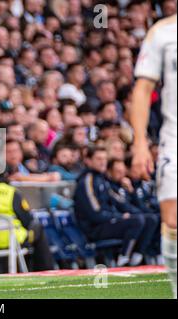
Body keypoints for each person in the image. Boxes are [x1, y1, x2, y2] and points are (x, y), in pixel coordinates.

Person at [130, 14, 177, 298]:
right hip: (173, 140)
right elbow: (142, 89)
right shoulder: (162, 32)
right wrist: (139, 142)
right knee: (172, 219)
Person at [74, 147, 154, 267]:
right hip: (95, 228)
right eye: (98, 159)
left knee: (150, 219)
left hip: (108, 221)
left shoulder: (102, 179)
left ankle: (138, 256)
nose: (102, 162)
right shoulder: (87, 181)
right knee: (136, 221)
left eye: (104, 159)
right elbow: (95, 213)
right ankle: (124, 260)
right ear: (88, 161)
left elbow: (119, 202)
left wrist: (136, 211)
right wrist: (120, 216)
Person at [0, 172, 56, 273]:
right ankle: (46, 271)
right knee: (37, 227)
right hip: (8, 240)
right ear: (6, 176)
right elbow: (27, 220)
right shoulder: (11, 192)